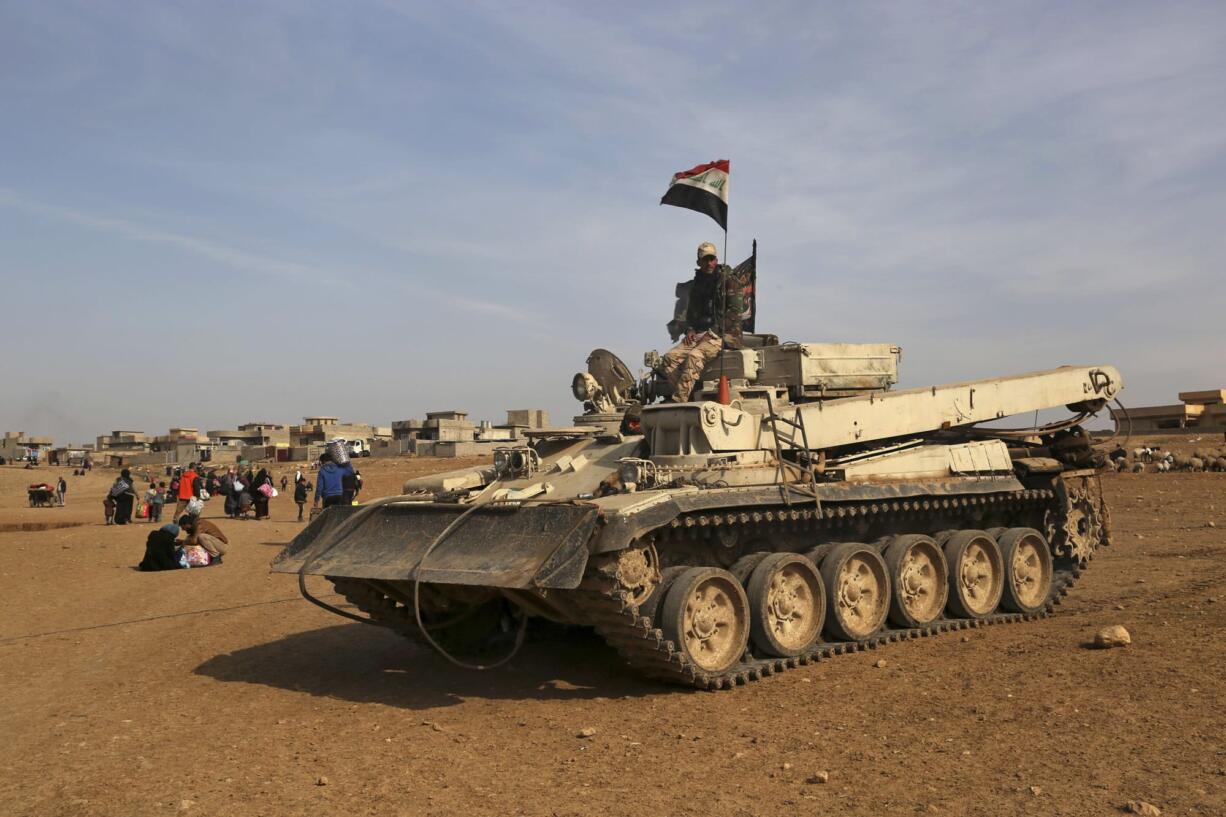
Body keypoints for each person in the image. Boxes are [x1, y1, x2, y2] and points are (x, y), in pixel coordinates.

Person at [659, 241, 746, 402]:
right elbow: (691, 313)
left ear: (716, 260)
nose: (709, 263)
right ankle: (689, 396)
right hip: (699, 334)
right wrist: (690, 329)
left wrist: (712, 332)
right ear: (699, 262)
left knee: (694, 356)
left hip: (724, 335)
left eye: (712, 259)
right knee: (669, 358)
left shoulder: (728, 280)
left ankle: (679, 401)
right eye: (705, 260)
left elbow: (735, 314)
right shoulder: (697, 285)